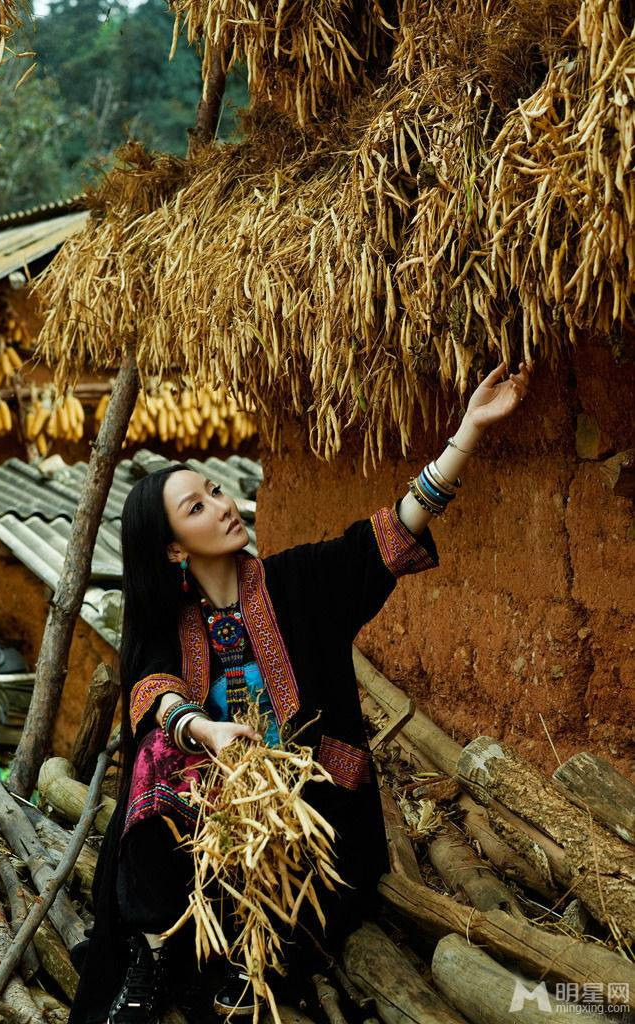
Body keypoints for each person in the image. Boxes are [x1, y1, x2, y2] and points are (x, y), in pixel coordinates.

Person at [68, 357, 534, 1024]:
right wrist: (205, 731)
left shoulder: (301, 582)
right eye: (197, 507)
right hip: (217, 825)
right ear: (173, 550)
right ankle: (154, 951)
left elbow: (394, 533)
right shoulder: (168, 624)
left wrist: (468, 431)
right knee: (155, 759)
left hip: (316, 814)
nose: (224, 506)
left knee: (292, 937)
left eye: (217, 490)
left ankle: (255, 957)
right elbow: (155, 693)